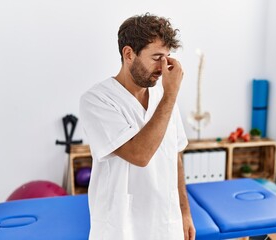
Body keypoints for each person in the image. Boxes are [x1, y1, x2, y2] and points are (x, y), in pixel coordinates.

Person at [79, 13, 195, 240]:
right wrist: (171, 95)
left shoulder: (164, 96)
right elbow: (140, 155)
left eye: (167, 57)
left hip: (165, 224)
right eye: (156, 57)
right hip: (121, 228)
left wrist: (184, 212)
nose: (163, 67)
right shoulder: (97, 100)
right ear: (129, 54)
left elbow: (175, 156)